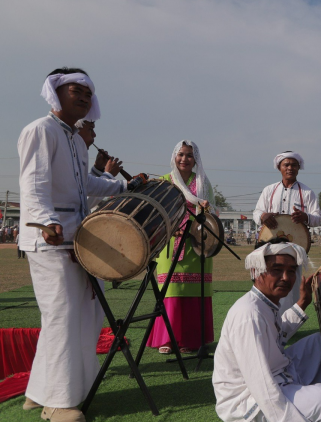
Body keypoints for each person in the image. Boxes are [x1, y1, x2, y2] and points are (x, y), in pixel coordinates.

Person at [18, 67, 145, 422]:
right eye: (77, 89)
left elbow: (84, 184)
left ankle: (38, 391)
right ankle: (56, 402)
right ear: (55, 92)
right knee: (63, 317)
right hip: (51, 240)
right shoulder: (40, 130)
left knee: (85, 314)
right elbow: (33, 183)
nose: (86, 96)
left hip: (80, 239)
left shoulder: (75, 139)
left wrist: (123, 187)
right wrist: (47, 222)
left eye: (89, 92)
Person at [213, 239, 321, 422]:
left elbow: (277, 334)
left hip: (278, 373)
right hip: (248, 400)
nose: (286, 277)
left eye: (291, 271)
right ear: (255, 271)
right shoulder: (248, 314)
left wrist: (302, 303)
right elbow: (261, 384)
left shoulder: (265, 303)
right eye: (277, 270)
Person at [146, 140, 217, 354]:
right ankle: (168, 339)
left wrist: (206, 208)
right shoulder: (164, 182)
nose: (184, 159)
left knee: (195, 292)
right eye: (181, 154)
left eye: (189, 155)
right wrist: (171, 228)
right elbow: (154, 213)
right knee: (171, 291)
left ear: (195, 160)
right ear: (174, 157)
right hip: (170, 243)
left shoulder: (203, 182)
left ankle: (192, 340)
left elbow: (214, 212)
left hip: (198, 243)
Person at [253, 151, 321, 315]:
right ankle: (267, 316)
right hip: (268, 246)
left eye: (294, 165)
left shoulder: (307, 192)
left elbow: (318, 218)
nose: (290, 168)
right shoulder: (269, 190)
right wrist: (263, 216)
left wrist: (305, 216)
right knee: (268, 279)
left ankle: (286, 322)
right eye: (286, 164)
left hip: (295, 247)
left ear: (299, 168)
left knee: (290, 285)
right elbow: (256, 213)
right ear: (279, 167)